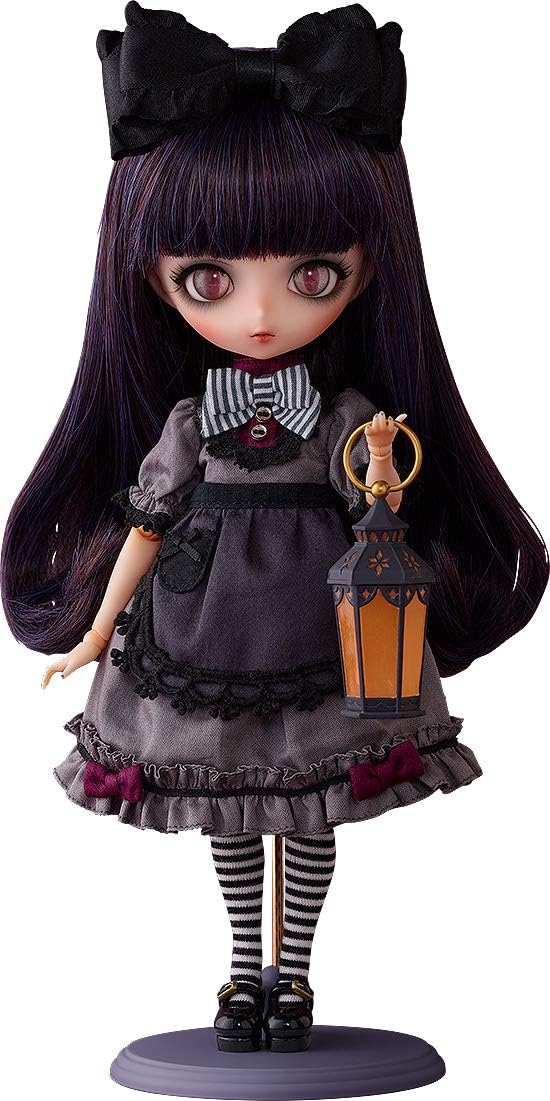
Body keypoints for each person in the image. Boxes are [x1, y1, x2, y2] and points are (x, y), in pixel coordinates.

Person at [1, 3, 547, 1054]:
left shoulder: (346, 419)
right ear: (151, 277)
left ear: (367, 268)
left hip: (320, 640)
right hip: (198, 635)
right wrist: (94, 631)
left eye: (311, 276)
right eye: (208, 280)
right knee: (230, 812)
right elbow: (146, 528)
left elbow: (377, 510)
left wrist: (381, 473)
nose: (259, 315)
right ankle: (240, 966)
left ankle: (290, 973)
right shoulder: (187, 423)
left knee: (308, 813)